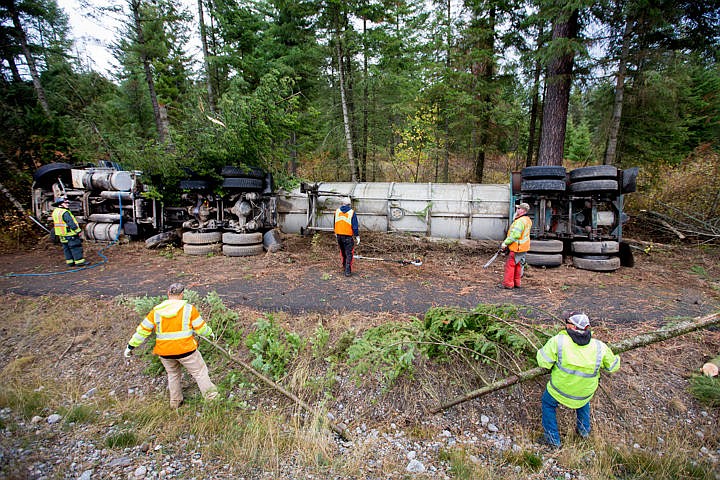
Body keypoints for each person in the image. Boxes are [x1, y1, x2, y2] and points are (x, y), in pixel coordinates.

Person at [124, 283, 218, 408]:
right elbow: (201, 329)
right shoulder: (189, 309)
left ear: (168, 294)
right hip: (186, 350)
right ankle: (212, 400)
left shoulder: (156, 311)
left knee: (173, 374)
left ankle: (175, 402)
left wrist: (131, 346)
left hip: (165, 352)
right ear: (182, 294)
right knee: (200, 372)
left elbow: (142, 331)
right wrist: (211, 334)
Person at [536, 312, 620, 447]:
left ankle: (552, 440)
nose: (565, 325)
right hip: (584, 392)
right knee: (583, 402)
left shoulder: (558, 341)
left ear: (573, 327)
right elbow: (613, 366)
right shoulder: (599, 347)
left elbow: (543, 362)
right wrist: (616, 356)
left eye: (567, 323)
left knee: (548, 404)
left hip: (560, 390)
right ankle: (584, 431)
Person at [499, 202, 532, 289]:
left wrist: (505, 243)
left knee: (510, 265)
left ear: (523, 211)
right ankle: (517, 283)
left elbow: (515, 235)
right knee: (518, 265)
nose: (516, 210)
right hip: (523, 247)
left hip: (517, 248)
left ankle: (508, 284)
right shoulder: (527, 220)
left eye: (518, 208)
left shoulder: (519, 221)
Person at [52, 196, 90, 267]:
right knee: (75, 247)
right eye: (65, 203)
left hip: (62, 234)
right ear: (60, 204)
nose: (68, 204)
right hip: (70, 233)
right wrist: (78, 231)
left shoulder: (55, 212)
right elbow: (71, 223)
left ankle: (70, 262)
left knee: (66, 248)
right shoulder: (65, 212)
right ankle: (79, 262)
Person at [334, 196, 359, 277]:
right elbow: (355, 226)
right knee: (349, 253)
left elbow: (334, 223)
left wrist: (336, 233)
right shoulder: (352, 212)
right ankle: (347, 270)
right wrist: (357, 236)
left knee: (343, 252)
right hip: (347, 236)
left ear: (342, 203)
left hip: (339, 236)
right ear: (349, 204)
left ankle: (344, 266)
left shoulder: (337, 211)